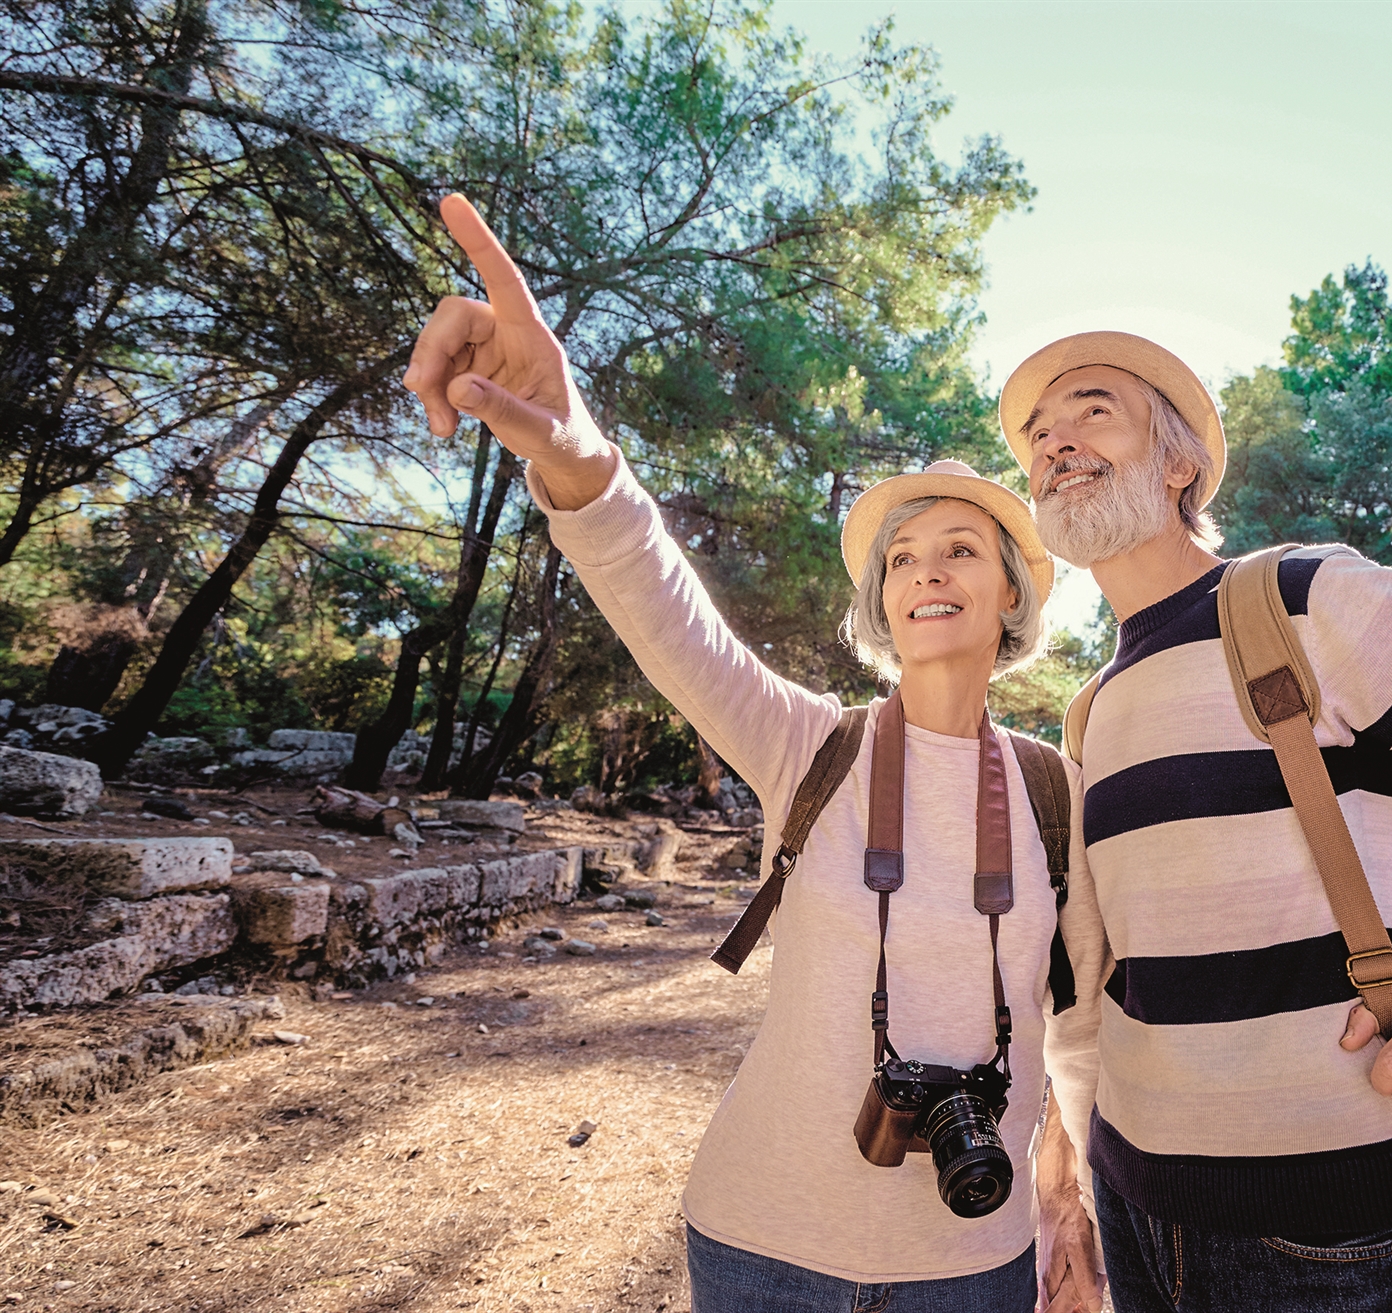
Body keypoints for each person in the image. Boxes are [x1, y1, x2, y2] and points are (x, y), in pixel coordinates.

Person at [401, 194, 1107, 1313]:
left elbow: (1078, 1028)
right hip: (759, 1243)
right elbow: (663, 610)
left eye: (961, 548)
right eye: (902, 556)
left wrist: (1067, 1212)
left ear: (1011, 595)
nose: (926, 570)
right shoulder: (806, 744)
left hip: (969, 1262)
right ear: (880, 599)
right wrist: (575, 443)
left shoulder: (1055, 789)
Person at [1011, 332, 1392, 1313]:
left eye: (1090, 409)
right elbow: (1099, 982)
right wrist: (1069, 1172)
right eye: (1036, 435)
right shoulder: (1089, 707)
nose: (1054, 443)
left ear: (1180, 463)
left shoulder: (1308, 598)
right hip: (1127, 1198)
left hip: (1312, 1233)